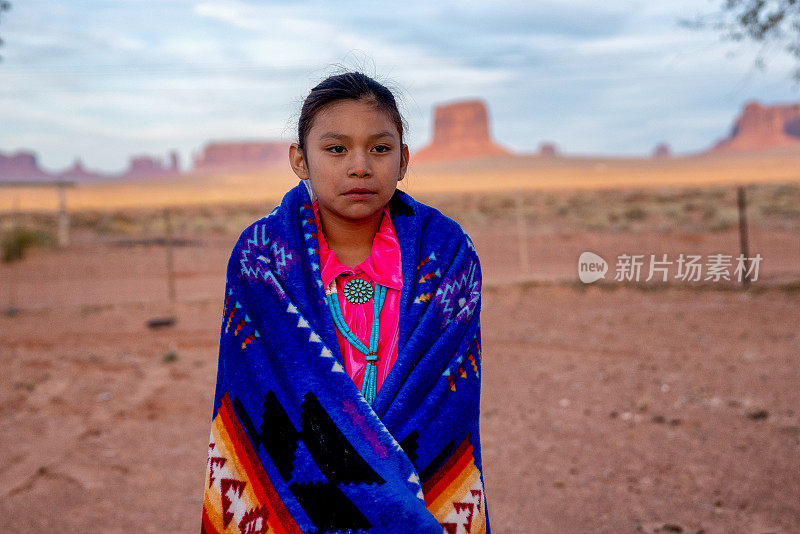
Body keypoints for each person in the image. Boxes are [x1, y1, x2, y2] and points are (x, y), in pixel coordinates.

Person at [201, 71, 490, 534]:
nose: (360, 166)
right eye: (336, 149)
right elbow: (257, 398)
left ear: (403, 159)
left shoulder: (449, 257)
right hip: (292, 498)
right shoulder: (261, 259)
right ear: (300, 159)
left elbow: (445, 408)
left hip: (417, 493)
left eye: (380, 148)